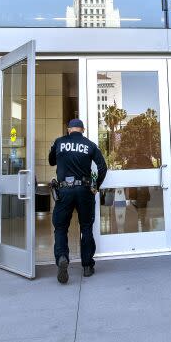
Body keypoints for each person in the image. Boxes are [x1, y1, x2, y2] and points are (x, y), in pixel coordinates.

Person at [49, 118, 107, 283]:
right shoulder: (89, 145)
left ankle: (62, 258)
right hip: (84, 190)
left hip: (64, 190)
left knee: (60, 228)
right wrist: (96, 186)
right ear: (83, 130)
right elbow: (103, 167)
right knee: (86, 227)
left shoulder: (59, 142)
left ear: (69, 130)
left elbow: (51, 161)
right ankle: (87, 266)